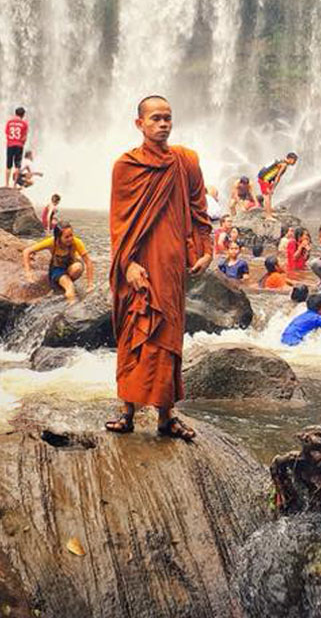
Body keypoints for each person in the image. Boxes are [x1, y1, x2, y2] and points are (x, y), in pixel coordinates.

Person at [105, 95, 213, 442]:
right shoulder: (125, 165)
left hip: (170, 265)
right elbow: (118, 223)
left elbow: (199, 210)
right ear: (139, 124)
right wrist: (128, 264)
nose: (163, 124)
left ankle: (167, 416)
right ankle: (127, 411)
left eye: (167, 118)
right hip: (138, 265)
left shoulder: (185, 161)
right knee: (134, 330)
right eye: (155, 119)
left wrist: (206, 248)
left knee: (167, 336)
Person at [22, 220, 94, 302]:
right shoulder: (51, 242)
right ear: (58, 238)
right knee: (70, 288)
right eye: (66, 237)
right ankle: (71, 306)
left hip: (70, 265)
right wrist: (28, 272)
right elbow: (26, 251)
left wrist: (90, 285)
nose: (70, 239)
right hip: (58, 269)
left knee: (78, 267)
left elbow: (88, 262)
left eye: (71, 235)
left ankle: (65, 282)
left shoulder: (76, 242)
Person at [257, 152, 299, 219]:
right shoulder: (284, 165)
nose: (295, 163)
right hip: (265, 180)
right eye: (295, 160)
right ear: (291, 159)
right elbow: (278, 177)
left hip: (265, 179)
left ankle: (269, 212)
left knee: (269, 196)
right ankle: (268, 216)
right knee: (267, 197)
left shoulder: (279, 160)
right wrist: (273, 188)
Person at [4, 107, 29, 188]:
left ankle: (7, 184)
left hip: (10, 145)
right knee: (17, 165)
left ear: (15, 113)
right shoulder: (24, 124)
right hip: (19, 145)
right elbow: (24, 137)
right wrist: (22, 143)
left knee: (8, 165)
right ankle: (14, 185)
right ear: (23, 115)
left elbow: (6, 133)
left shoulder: (9, 122)